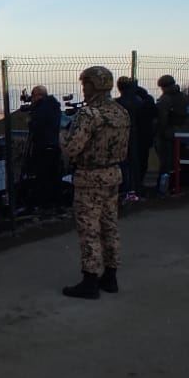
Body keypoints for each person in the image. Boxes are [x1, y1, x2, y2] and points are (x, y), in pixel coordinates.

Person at [60, 66, 130, 299]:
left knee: (89, 228)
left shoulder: (89, 115)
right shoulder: (121, 112)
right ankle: (110, 276)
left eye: (86, 84)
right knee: (109, 225)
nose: (83, 88)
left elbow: (72, 148)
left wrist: (62, 135)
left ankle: (90, 279)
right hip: (112, 174)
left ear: (93, 85)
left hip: (89, 178)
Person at [114, 76, 156, 204]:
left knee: (124, 164)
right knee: (136, 164)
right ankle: (135, 189)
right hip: (138, 136)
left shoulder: (118, 103)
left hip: (123, 136)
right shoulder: (141, 101)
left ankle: (126, 190)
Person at [22, 85, 63, 213]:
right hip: (54, 146)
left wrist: (30, 119)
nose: (32, 99)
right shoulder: (54, 106)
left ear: (38, 95)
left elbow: (36, 126)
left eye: (33, 96)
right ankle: (55, 204)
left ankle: (43, 205)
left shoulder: (41, 109)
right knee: (54, 177)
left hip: (42, 146)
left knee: (42, 177)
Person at [155, 74, 189, 189]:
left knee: (165, 161)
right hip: (182, 132)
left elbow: (163, 118)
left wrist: (159, 130)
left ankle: (164, 186)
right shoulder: (183, 96)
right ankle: (178, 183)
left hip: (168, 133)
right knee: (178, 159)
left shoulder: (166, 99)